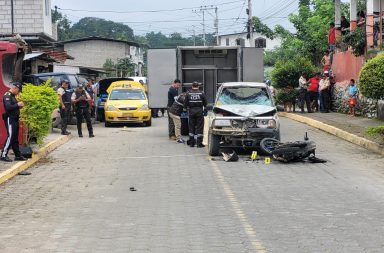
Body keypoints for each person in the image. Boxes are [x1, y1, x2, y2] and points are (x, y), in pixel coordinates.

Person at [1, 82, 27, 162]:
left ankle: (18, 155)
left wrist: (19, 106)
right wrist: (18, 104)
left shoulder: (13, 96)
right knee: (11, 136)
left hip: (15, 118)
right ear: (15, 88)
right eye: (18, 91)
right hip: (10, 118)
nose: (18, 93)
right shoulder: (7, 95)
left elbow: (13, 107)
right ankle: (3, 154)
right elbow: (8, 107)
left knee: (15, 138)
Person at [184, 81, 207, 148]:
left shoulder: (188, 93)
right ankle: (199, 144)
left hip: (191, 112)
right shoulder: (201, 93)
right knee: (199, 127)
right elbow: (205, 103)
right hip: (199, 112)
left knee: (191, 127)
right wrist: (205, 111)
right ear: (198, 86)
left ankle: (191, 143)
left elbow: (185, 104)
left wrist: (185, 111)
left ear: (192, 86)